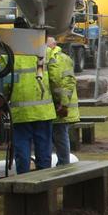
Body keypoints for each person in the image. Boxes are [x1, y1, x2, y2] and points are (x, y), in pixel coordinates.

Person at [3, 50, 56, 174]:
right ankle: (44, 179)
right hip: (43, 111)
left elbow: (4, 85)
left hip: (20, 112)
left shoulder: (8, 56)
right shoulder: (46, 53)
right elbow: (55, 79)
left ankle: (23, 178)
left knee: (22, 147)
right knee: (43, 149)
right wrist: (60, 102)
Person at [46, 37, 80, 166]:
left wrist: (63, 104)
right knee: (57, 136)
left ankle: (63, 164)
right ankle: (62, 164)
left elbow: (67, 83)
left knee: (60, 136)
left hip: (60, 106)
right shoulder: (56, 57)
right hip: (55, 106)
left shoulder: (61, 59)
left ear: (54, 45)